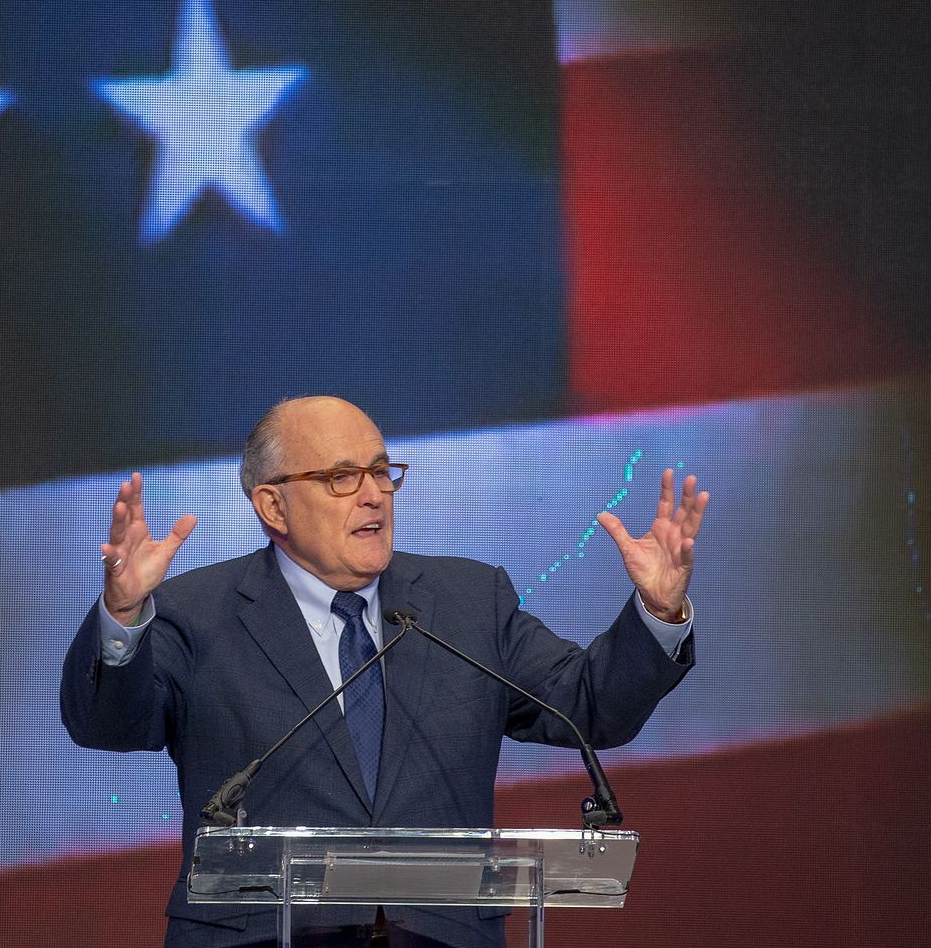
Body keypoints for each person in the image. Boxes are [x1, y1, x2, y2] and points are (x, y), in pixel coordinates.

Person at [61, 397, 707, 948]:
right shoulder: (196, 613)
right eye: (342, 476)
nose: (374, 493)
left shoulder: (467, 602)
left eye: (380, 471)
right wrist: (123, 616)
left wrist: (657, 611)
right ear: (273, 506)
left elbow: (591, 705)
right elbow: (107, 723)